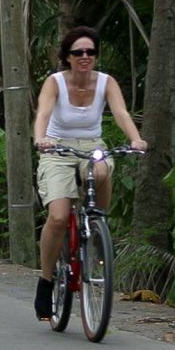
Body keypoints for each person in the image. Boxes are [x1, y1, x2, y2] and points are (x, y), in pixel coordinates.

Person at [32, 26, 146, 320]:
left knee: (101, 169)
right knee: (58, 217)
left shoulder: (106, 82)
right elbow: (43, 113)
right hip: (57, 147)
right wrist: (41, 138)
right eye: (78, 52)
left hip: (92, 144)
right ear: (67, 57)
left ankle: (97, 223)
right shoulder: (54, 82)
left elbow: (121, 113)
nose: (85, 57)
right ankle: (46, 279)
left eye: (90, 52)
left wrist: (135, 138)